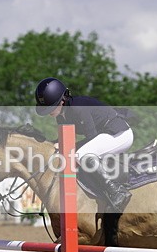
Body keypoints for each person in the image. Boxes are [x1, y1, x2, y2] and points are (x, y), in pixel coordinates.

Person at [35, 77, 133, 212]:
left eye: (51, 107)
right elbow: (65, 139)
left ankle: (116, 191)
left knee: (81, 154)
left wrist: (67, 146)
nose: (49, 112)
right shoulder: (61, 115)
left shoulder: (78, 108)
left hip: (119, 134)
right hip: (105, 135)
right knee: (77, 152)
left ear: (62, 101)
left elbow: (91, 137)